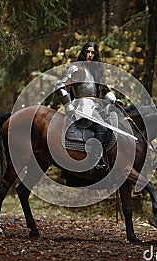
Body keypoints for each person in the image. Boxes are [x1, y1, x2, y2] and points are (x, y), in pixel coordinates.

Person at [55, 41, 122, 169]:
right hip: (82, 107)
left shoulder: (96, 72)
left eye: (92, 52)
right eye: (88, 52)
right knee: (102, 129)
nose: (90, 55)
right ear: (83, 53)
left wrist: (114, 100)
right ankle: (94, 160)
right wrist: (68, 106)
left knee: (111, 128)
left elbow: (105, 90)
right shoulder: (77, 69)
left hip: (96, 107)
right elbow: (61, 86)